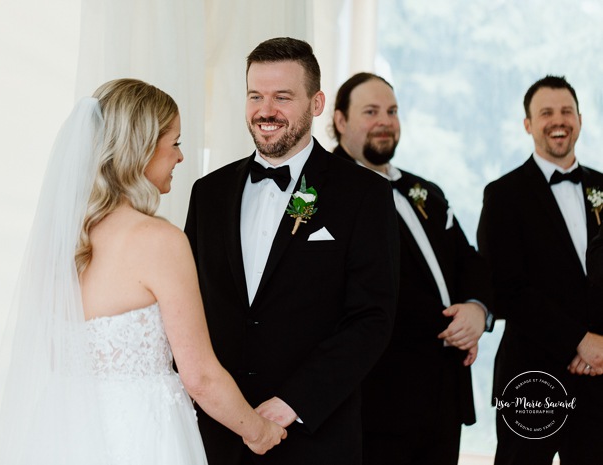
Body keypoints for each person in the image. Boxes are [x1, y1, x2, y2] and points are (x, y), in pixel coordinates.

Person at [0, 78, 286, 465]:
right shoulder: (159, 241)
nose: (180, 157)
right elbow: (201, 378)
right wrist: (258, 431)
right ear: (141, 149)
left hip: (61, 433)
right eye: (174, 142)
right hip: (142, 434)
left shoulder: (60, 241)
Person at [184, 38, 399, 465]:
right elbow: (190, 306)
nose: (266, 111)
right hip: (217, 435)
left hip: (313, 436)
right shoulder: (208, 192)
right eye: (255, 96)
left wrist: (294, 402)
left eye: (282, 97)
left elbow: (371, 318)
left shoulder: (363, 194)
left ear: (316, 103)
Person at [331, 72, 493, 465]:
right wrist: (449, 327)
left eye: (391, 111)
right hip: (379, 399)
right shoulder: (329, 192)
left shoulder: (428, 193)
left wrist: (477, 310)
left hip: (444, 398)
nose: (384, 120)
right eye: (370, 111)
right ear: (340, 121)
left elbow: (469, 263)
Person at [477, 75, 603, 465]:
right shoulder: (503, 195)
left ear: (580, 120)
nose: (557, 120)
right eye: (545, 112)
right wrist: (580, 341)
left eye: (566, 111)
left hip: (602, 372)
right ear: (528, 124)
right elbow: (507, 288)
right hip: (532, 374)